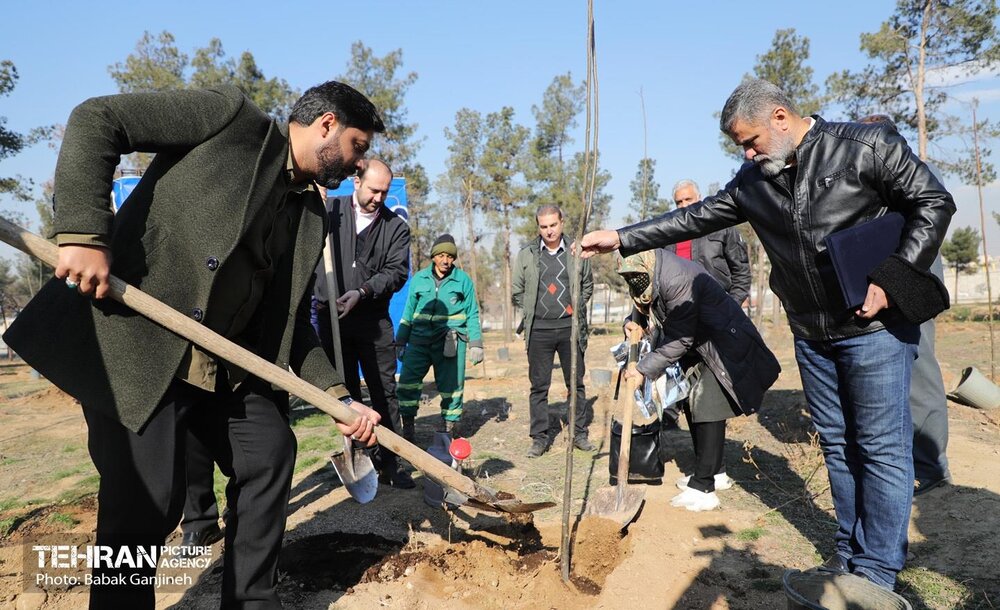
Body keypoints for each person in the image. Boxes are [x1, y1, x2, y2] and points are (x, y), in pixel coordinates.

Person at [3, 81, 385, 608]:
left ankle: (250, 600)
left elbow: (289, 321)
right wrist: (84, 233)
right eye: (357, 147)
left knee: (270, 452)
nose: (358, 164)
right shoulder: (229, 120)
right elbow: (98, 118)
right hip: (140, 349)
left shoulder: (310, 216)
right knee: (147, 502)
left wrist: (338, 396)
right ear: (326, 124)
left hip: (221, 368)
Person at [578, 79, 955, 591]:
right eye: (740, 146)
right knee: (840, 445)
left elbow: (933, 201)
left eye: (750, 140)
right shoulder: (754, 180)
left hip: (874, 328)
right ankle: (848, 555)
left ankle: (876, 573)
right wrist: (622, 238)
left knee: (881, 445)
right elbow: (692, 217)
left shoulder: (865, 148)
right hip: (812, 332)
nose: (747, 152)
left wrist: (895, 276)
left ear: (781, 118)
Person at [617, 249, 780, 511]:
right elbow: (648, 302)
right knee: (693, 407)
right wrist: (633, 321)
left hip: (720, 344)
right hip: (699, 343)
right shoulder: (648, 270)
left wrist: (643, 369)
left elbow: (682, 338)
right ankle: (708, 473)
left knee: (708, 408)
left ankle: (706, 486)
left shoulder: (676, 278)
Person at [857, 114, 952, 496]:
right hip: (884, 282)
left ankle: (932, 468)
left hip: (912, 280)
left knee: (920, 368)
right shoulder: (876, 173)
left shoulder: (911, 171)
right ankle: (904, 461)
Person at [314, 158, 414, 489]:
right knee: (345, 392)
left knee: (384, 392)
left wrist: (363, 290)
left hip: (373, 320)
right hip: (333, 319)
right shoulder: (330, 211)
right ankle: (360, 455)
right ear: (357, 183)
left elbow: (397, 272)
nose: (379, 198)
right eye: (374, 190)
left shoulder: (395, 226)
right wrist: (311, 206)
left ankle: (392, 461)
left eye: (385, 192)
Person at [667, 179, 751, 489]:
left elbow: (742, 274)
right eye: (678, 202)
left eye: (688, 199)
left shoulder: (722, 229)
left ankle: (714, 472)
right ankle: (709, 466)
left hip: (715, 327)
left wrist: (728, 310)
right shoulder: (670, 236)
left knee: (711, 398)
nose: (684, 206)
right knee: (690, 398)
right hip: (683, 330)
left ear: (699, 199)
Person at [512, 205, 595, 458]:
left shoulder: (576, 251)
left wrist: (573, 307)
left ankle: (579, 433)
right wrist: (533, 310)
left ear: (562, 222)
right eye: (543, 226)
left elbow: (587, 285)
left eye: (553, 225)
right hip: (539, 330)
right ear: (538, 227)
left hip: (570, 329)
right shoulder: (526, 254)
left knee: (576, 384)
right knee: (539, 386)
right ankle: (539, 438)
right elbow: (518, 290)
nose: (549, 231)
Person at [395, 234, 484, 437]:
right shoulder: (419, 279)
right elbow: (408, 312)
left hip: (450, 341)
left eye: (450, 256)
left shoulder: (463, 281)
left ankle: (449, 429)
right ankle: (408, 426)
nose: (445, 260)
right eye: (441, 255)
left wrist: (476, 343)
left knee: (451, 387)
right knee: (408, 383)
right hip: (419, 340)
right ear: (434, 256)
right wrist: (401, 340)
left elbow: (472, 313)